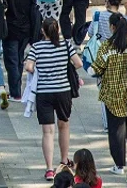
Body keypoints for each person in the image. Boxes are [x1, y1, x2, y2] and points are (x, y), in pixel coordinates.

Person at [24, 18, 83, 181]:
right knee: (64, 125)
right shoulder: (65, 46)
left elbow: (29, 67)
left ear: (43, 31)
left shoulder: (36, 47)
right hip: (63, 91)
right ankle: (64, 161)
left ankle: (49, 169)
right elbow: (78, 63)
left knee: (47, 131)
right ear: (57, 30)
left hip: (44, 92)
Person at [93, 12, 127, 175]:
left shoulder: (106, 46)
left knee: (117, 129)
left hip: (113, 94)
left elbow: (98, 68)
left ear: (112, 27)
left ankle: (119, 165)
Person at [1, 0, 33, 101]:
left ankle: (15, 92)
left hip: (11, 30)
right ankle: (17, 89)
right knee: (19, 60)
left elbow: (3, 10)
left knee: (12, 61)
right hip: (25, 30)